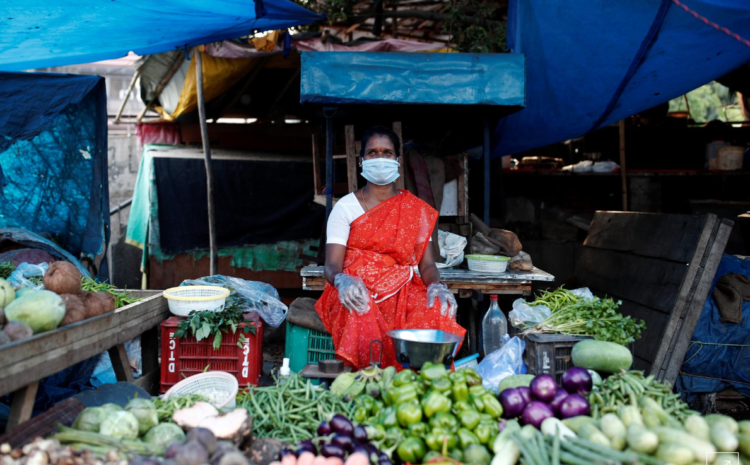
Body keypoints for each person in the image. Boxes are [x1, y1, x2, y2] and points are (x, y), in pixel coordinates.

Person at [315, 126, 466, 369]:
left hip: (402, 288)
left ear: (397, 160)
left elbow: (426, 264)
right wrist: (342, 280)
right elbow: (331, 265)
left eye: (387, 152)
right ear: (362, 160)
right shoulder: (345, 207)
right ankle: (368, 382)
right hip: (354, 289)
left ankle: (421, 383)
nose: (380, 158)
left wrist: (436, 286)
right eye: (372, 152)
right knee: (359, 310)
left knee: (435, 310)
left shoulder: (415, 209)